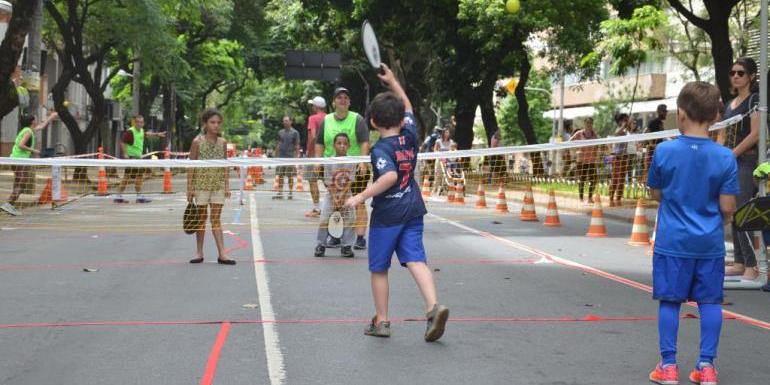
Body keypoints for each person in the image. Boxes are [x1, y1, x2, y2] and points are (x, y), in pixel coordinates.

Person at [345, 64, 449, 342]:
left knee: (379, 268)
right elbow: (409, 106)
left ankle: (382, 321)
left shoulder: (380, 148)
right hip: (413, 208)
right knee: (415, 259)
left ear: (374, 123)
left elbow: (389, 176)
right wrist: (392, 81)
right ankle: (433, 307)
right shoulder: (411, 134)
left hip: (388, 214)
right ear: (401, 119)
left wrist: (360, 196)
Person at [646, 81, 737, 385]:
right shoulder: (725, 157)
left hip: (673, 242)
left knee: (670, 302)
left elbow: (656, 194)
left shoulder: (664, 151)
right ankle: (706, 367)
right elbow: (728, 205)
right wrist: (719, 219)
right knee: (710, 302)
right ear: (714, 114)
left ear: (681, 113)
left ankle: (668, 366)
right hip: (709, 244)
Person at [719, 57, 761, 281]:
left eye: (741, 73)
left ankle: (752, 266)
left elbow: (755, 134)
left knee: (742, 210)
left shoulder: (755, 100)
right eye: (733, 72)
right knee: (731, 210)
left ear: (751, 76)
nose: (735, 76)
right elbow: (723, 134)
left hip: (746, 161)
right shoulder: (729, 104)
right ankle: (738, 261)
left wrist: (732, 153)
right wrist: (718, 156)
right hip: (729, 161)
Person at [315, 87, 370, 250]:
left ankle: (359, 237)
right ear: (333, 102)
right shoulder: (327, 120)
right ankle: (336, 235)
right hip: (332, 169)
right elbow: (319, 143)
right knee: (334, 202)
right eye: (339, 97)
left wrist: (362, 161)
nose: (343, 100)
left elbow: (364, 142)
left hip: (354, 168)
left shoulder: (357, 119)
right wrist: (318, 162)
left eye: (346, 97)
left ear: (349, 102)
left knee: (357, 201)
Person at [187, 109, 235, 265]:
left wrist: (227, 185)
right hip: (201, 186)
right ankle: (199, 252)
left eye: (218, 123)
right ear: (205, 124)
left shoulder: (223, 142)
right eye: (212, 122)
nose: (216, 126)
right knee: (201, 219)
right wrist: (190, 187)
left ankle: (222, 254)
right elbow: (191, 166)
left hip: (218, 185)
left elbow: (225, 165)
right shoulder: (197, 142)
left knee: (216, 219)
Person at [0, 112, 58, 216]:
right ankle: (9, 204)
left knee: (18, 182)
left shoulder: (28, 130)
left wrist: (50, 117)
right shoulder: (28, 132)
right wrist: (35, 151)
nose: (36, 122)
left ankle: (10, 205)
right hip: (20, 160)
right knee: (21, 183)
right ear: (32, 122)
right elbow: (21, 145)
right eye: (35, 120)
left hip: (15, 160)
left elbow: (41, 127)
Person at [314, 133, 355, 258]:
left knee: (350, 218)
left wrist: (342, 197)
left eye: (345, 143)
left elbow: (351, 181)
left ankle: (346, 246)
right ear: (334, 145)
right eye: (339, 143)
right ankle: (321, 244)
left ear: (349, 145)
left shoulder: (352, 161)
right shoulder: (329, 162)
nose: (342, 146)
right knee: (324, 218)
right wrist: (335, 198)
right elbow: (328, 182)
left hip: (346, 194)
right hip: (331, 195)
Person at [113, 115, 166, 203]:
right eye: (137, 122)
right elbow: (122, 142)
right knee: (136, 178)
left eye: (141, 122)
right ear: (134, 122)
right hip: (132, 158)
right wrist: (125, 154)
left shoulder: (141, 131)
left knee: (130, 178)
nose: (139, 124)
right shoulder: (130, 131)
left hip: (138, 158)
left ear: (143, 123)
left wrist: (157, 134)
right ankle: (138, 196)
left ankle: (120, 196)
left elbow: (147, 134)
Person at [305, 96, 327, 217]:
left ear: (316, 106)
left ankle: (316, 209)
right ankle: (336, 206)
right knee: (329, 182)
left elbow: (313, 136)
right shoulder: (330, 117)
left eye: (313, 105)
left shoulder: (312, 118)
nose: (312, 107)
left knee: (312, 181)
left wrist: (309, 152)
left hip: (315, 155)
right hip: (328, 155)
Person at [569, 117, 599, 203]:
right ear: (584, 124)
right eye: (587, 123)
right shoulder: (579, 133)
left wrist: (596, 154)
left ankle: (590, 198)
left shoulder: (594, 135)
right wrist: (577, 149)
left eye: (590, 123)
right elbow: (570, 141)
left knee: (593, 179)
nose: (589, 124)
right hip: (581, 160)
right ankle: (581, 198)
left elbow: (597, 146)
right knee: (582, 179)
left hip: (592, 161)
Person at [273, 115, 301, 200]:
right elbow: (278, 144)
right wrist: (276, 156)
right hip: (281, 157)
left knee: (290, 176)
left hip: (290, 157)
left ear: (290, 122)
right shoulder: (280, 132)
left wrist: (297, 158)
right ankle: (280, 192)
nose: (285, 122)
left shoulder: (295, 133)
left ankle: (290, 192)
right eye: (284, 121)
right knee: (280, 175)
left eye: (286, 120)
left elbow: (297, 145)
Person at [608, 113, 630, 206]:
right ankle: (611, 198)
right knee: (615, 179)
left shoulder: (626, 132)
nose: (626, 121)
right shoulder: (619, 130)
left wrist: (627, 126)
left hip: (624, 157)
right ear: (620, 121)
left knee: (621, 180)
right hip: (617, 158)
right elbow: (616, 134)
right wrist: (623, 126)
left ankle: (618, 199)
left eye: (626, 120)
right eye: (624, 120)